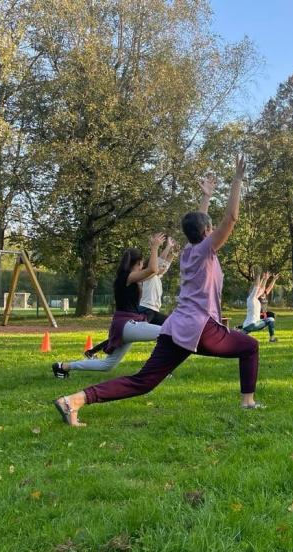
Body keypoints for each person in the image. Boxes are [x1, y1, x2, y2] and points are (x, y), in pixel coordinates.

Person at [53, 155, 261, 426]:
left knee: (143, 381)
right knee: (250, 346)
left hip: (177, 326)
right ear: (208, 232)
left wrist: (206, 196)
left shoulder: (190, 250)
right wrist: (237, 180)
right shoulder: (205, 250)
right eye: (210, 228)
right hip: (199, 329)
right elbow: (231, 218)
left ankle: (74, 400)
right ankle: (247, 402)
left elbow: (200, 224)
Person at [52, 234, 166, 378]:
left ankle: (63, 366)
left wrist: (163, 250)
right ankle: (157, 370)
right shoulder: (127, 277)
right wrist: (155, 247)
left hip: (124, 325)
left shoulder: (127, 277)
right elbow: (153, 270)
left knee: (107, 365)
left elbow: (154, 271)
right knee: (167, 333)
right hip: (127, 325)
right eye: (141, 264)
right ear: (137, 263)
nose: (143, 266)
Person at [241, 271, 279, 342]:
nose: (261, 291)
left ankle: (241, 333)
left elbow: (261, 288)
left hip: (246, 326)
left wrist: (265, 279)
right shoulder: (252, 298)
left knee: (243, 332)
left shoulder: (253, 300)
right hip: (254, 324)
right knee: (271, 319)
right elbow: (257, 287)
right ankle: (272, 338)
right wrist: (261, 278)